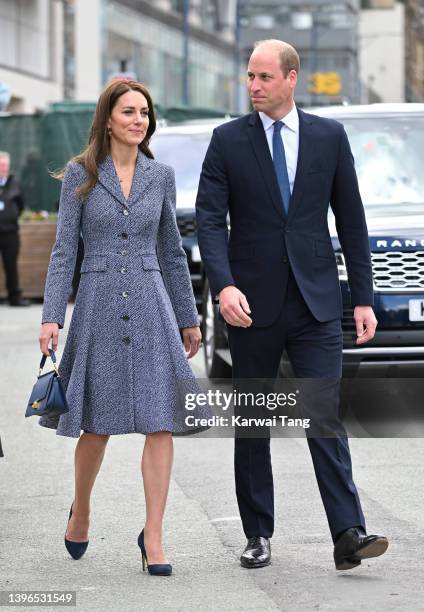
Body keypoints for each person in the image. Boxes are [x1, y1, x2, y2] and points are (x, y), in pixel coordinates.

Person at [195, 39, 389, 571]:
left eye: (263, 77)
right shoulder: (227, 140)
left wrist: (363, 299)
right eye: (249, 77)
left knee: (323, 414)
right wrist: (224, 285)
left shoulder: (329, 136)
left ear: (291, 78)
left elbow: (351, 220)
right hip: (250, 307)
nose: (253, 86)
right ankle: (257, 533)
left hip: (316, 304)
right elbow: (210, 222)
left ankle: (348, 532)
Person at [38, 79, 210, 575]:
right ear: (108, 119)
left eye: (144, 113)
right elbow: (64, 250)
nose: (139, 120)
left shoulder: (161, 176)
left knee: (161, 422)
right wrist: (53, 314)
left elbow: (171, 252)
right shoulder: (79, 175)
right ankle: (83, 509)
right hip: (97, 305)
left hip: (154, 304)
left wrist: (187, 316)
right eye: (129, 112)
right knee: (96, 426)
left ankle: (153, 535)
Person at [0, 151, 30, 306]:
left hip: (10, 232)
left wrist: (11, 216)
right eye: (1, 165)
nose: (3, 168)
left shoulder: (14, 183)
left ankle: (14, 296)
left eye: (5, 165)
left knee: (11, 265)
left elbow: (20, 204)